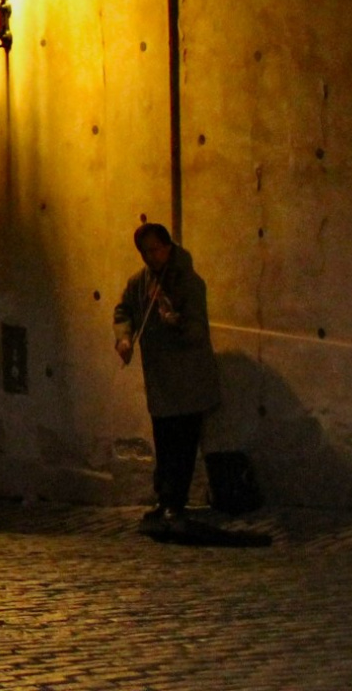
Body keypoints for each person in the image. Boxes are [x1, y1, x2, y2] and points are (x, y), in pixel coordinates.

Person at [115, 222, 221, 527]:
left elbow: (197, 331)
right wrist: (124, 338)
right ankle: (164, 499)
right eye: (145, 252)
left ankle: (177, 502)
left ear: (168, 247)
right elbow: (124, 311)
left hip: (187, 378)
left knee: (183, 443)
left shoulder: (187, 282)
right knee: (163, 440)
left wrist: (174, 322)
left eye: (155, 250)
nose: (150, 257)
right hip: (160, 379)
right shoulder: (140, 283)